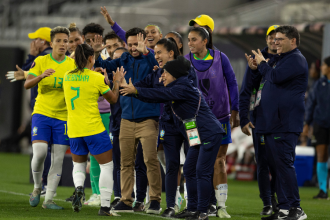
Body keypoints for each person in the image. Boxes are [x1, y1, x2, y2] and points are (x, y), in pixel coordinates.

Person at [120, 56, 226, 220]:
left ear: (175, 74)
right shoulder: (177, 85)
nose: (162, 76)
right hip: (195, 133)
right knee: (190, 170)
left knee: (201, 171)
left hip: (208, 133)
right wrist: (133, 91)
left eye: (165, 73)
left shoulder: (182, 86)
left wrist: (137, 91)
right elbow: (157, 94)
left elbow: (161, 94)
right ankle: (192, 209)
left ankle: (203, 211)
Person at [119, 37, 197, 217]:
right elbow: (143, 85)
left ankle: (196, 205)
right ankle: (171, 206)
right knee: (171, 165)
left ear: (171, 53)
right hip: (169, 124)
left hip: (191, 124)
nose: (156, 56)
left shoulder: (185, 68)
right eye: (155, 52)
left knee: (193, 166)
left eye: (159, 52)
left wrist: (136, 91)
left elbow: (163, 93)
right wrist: (124, 85)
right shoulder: (158, 72)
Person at [92, 28, 162, 214]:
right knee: (125, 163)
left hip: (148, 118)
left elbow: (159, 68)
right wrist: (98, 52)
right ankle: (126, 199)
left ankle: (154, 200)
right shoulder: (123, 60)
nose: (133, 48)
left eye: (136, 44)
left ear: (144, 42)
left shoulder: (151, 58)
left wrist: (146, 51)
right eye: (130, 44)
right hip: (126, 119)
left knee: (150, 161)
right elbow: (104, 66)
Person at [249, 25, 308, 220]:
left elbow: (274, 76)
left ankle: (296, 208)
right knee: (278, 167)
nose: (275, 42)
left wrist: (263, 64)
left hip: (286, 122)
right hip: (274, 122)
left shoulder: (296, 60)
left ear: (293, 41)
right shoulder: (282, 59)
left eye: (280, 39)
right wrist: (257, 66)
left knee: (284, 165)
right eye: (274, 39)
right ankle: (284, 209)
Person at [63, 43, 124, 216]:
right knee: (106, 166)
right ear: (91, 58)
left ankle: (79, 188)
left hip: (74, 129)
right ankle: (105, 207)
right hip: (93, 128)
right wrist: (117, 81)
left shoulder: (67, 76)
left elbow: (83, 94)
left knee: (78, 164)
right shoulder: (95, 78)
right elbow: (112, 99)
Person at [185, 27, 239, 218]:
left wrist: (235, 110)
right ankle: (198, 204)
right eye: (188, 40)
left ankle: (221, 206)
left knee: (219, 161)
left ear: (204, 41)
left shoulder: (220, 57)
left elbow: (232, 83)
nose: (189, 43)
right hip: (192, 121)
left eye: (193, 39)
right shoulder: (186, 61)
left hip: (220, 118)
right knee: (192, 163)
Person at [24, 26, 76, 210]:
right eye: (59, 41)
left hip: (63, 117)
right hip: (42, 113)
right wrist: (40, 76)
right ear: (52, 43)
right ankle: (38, 187)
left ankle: (49, 200)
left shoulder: (72, 65)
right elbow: (27, 84)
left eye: (66, 41)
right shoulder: (41, 60)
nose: (63, 44)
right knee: (39, 154)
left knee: (58, 158)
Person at [240, 25, 280, 215]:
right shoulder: (256, 60)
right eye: (270, 36)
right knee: (262, 162)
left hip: (282, 121)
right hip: (260, 120)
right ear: (266, 39)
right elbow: (246, 90)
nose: (274, 40)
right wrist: (243, 119)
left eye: (277, 37)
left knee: (279, 163)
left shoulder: (289, 58)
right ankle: (267, 202)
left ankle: (274, 197)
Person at [303, 56, 330, 200]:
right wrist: (307, 123)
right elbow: (311, 103)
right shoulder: (319, 84)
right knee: (322, 156)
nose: (322, 67)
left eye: (324, 65)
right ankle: (323, 190)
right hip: (320, 124)